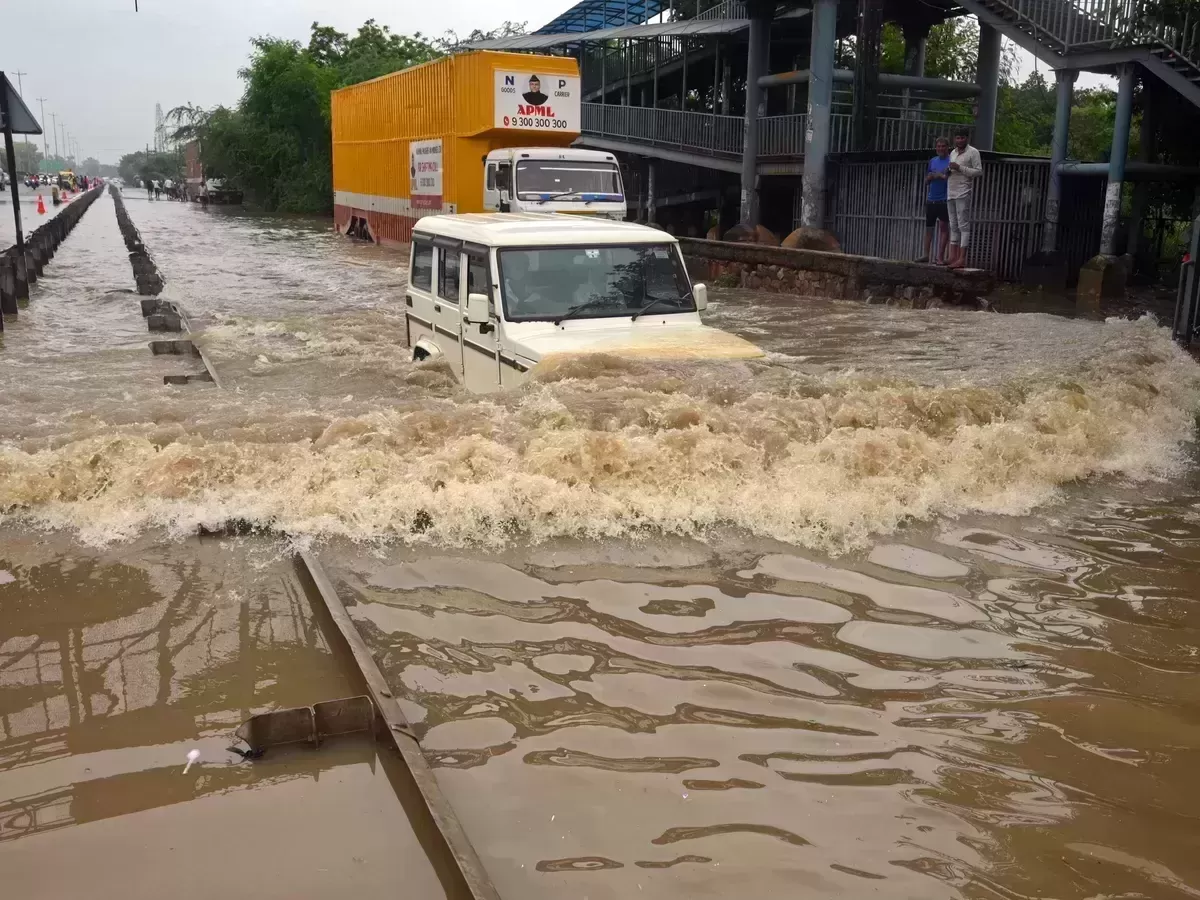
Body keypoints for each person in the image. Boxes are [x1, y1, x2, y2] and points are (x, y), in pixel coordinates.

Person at [945, 127, 982, 269]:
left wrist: (960, 168)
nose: (959, 140)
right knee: (953, 224)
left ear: (967, 138)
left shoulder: (973, 152)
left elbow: (979, 172)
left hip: (963, 192)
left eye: (962, 138)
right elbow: (951, 168)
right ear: (954, 139)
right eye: (957, 138)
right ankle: (952, 256)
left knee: (963, 225)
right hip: (951, 191)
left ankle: (962, 258)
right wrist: (949, 170)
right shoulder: (953, 152)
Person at [920, 137, 951, 264]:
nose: (940, 148)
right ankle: (926, 255)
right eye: (938, 146)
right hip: (931, 199)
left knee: (944, 228)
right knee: (929, 228)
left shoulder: (951, 161)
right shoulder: (932, 161)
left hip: (944, 199)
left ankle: (940, 257)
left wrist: (940, 175)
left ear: (947, 147)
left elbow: (950, 178)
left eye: (943, 146)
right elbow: (926, 181)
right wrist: (929, 178)